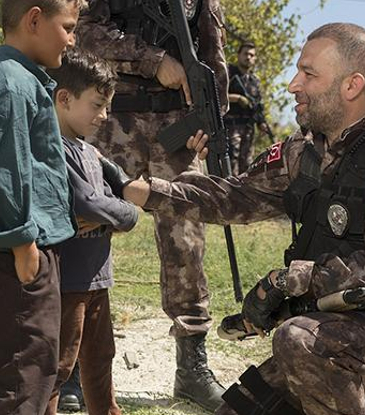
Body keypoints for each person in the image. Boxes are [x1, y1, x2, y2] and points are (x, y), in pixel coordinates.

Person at [119, 22, 365, 415]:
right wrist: (143, 191)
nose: (293, 85)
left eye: (308, 74)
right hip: (327, 328)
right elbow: (235, 195)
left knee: (298, 342)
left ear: (352, 85)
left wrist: (291, 280)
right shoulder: (304, 152)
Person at [73, 0, 229, 410]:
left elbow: (213, 60)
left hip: (176, 130)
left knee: (187, 244)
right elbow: (83, 33)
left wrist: (210, 124)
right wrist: (153, 60)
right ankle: (69, 362)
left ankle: (191, 368)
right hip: (110, 120)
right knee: (83, 228)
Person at [0, 1, 84, 413]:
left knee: (31, 370)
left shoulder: (23, 79)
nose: (72, 40)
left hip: (16, 254)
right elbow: (3, 170)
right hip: (9, 258)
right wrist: (23, 243)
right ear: (35, 19)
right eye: (68, 27)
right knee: (16, 376)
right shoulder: (9, 84)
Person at [44, 48, 139, 415]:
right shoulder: (55, 148)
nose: (103, 116)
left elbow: (110, 194)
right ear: (64, 99)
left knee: (101, 357)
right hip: (69, 281)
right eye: (97, 105)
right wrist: (128, 215)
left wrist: (113, 210)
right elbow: (88, 204)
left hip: (98, 278)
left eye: (107, 107)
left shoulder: (89, 151)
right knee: (60, 362)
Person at [225, 42, 269, 174]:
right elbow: (216, 96)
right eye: (245, 53)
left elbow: (258, 105)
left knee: (247, 165)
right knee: (230, 163)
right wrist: (237, 99)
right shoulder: (228, 73)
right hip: (231, 126)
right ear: (238, 55)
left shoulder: (254, 80)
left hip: (248, 128)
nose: (248, 57)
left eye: (252, 55)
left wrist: (261, 123)